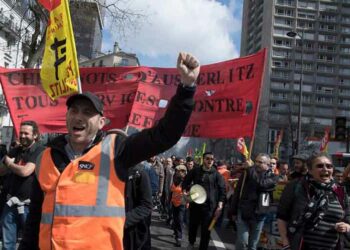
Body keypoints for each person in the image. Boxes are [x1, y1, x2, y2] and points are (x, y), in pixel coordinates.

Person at [18, 52, 200, 250]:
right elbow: (35, 218)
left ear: (102, 122)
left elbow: (164, 135)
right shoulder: (45, 157)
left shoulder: (116, 151)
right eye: (74, 111)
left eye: (88, 113)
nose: (79, 117)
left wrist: (186, 88)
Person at [277, 153, 350, 250]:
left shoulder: (339, 190)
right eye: (320, 166)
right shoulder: (296, 186)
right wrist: (286, 243)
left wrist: (346, 226)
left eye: (329, 166)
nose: (325, 169)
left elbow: (348, 216)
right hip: (300, 245)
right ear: (310, 170)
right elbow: (282, 217)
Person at [0, 121, 45, 250]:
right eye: (21, 133)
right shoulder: (15, 150)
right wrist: (6, 161)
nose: (23, 136)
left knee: (29, 243)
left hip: (29, 206)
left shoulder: (40, 150)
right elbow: (1, 171)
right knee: (7, 244)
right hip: (11, 203)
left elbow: (25, 171)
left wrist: (10, 164)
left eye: (26, 133)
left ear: (35, 135)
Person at [229, 153, 278, 250]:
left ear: (268, 165)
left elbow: (261, 184)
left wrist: (250, 169)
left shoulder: (273, 177)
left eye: (260, 162)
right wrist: (233, 211)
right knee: (243, 241)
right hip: (244, 212)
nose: (257, 164)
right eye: (256, 161)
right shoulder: (247, 173)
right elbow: (237, 192)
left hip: (259, 215)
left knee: (253, 245)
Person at [182, 152, 226, 250]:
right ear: (203, 159)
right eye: (207, 158)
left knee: (206, 231)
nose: (210, 161)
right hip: (195, 205)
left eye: (211, 159)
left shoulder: (216, 174)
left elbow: (222, 190)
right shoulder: (195, 171)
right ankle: (191, 242)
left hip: (209, 207)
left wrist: (220, 205)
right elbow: (185, 182)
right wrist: (185, 192)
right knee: (193, 226)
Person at [124, 163, 153, 250]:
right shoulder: (106, 171)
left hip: (132, 232)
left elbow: (146, 205)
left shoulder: (139, 173)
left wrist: (123, 220)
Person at [170, 164, 187, 247]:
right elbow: (170, 190)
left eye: (182, 171)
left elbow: (191, 192)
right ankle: (176, 233)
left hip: (182, 203)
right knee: (175, 219)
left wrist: (188, 201)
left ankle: (179, 238)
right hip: (174, 202)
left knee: (180, 220)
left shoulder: (187, 180)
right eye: (178, 171)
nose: (179, 172)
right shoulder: (173, 178)